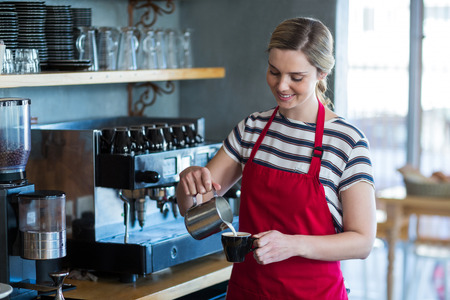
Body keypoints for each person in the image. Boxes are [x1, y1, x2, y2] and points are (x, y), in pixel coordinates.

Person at [176, 17, 376, 300]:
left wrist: (294, 245)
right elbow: (194, 209)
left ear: (321, 73)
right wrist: (188, 182)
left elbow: (362, 241)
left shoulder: (347, 142)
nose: (282, 85)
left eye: (296, 77)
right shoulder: (251, 129)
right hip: (248, 292)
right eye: (274, 72)